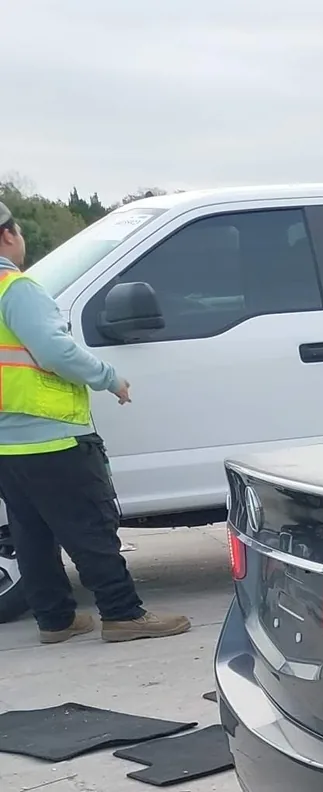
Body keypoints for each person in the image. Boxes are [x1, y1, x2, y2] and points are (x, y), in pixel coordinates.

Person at [0, 200, 188, 643]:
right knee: (90, 527)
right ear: (8, 234)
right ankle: (123, 614)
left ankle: (55, 620)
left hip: (7, 442)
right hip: (52, 434)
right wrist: (109, 378)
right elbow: (55, 351)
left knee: (32, 533)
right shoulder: (16, 288)